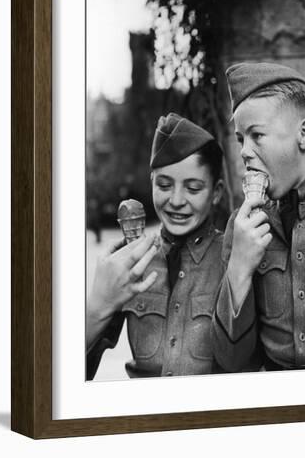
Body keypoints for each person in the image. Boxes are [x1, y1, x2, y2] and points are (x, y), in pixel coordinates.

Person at [212, 62, 305, 371]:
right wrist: (239, 269)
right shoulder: (242, 227)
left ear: (304, 134)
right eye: (241, 139)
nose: (244, 150)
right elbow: (232, 363)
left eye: (257, 135)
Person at [87, 113, 226, 379]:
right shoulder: (127, 260)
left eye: (193, 189)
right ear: (151, 182)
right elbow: (71, 376)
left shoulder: (232, 257)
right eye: (164, 185)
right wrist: (96, 307)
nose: (176, 200)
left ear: (216, 192)